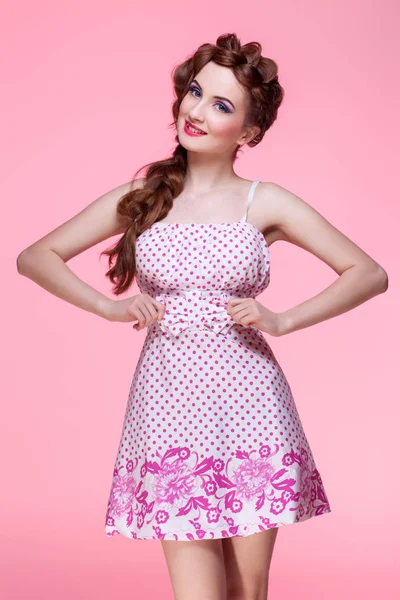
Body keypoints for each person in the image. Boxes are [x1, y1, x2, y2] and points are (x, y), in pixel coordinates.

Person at [17, 32, 388, 600]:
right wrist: (108, 308)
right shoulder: (146, 195)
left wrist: (282, 320)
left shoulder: (264, 201)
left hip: (252, 410)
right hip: (168, 409)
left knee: (248, 591)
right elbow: (34, 256)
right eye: (195, 92)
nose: (196, 111)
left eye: (221, 105)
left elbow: (369, 272)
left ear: (250, 131)